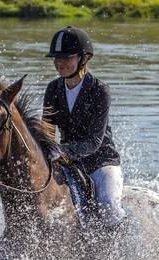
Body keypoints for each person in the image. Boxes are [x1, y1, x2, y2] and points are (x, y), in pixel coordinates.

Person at [42, 26, 126, 228]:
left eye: (66, 57)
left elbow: (95, 142)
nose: (60, 63)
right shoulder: (53, 88)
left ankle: (126, 247)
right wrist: (45, 148)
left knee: (109, 209)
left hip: (101, 161)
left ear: (84, 58)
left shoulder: (100, 90)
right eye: (56, 58)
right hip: (67, 162)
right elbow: (47, 129)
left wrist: (62, 150)